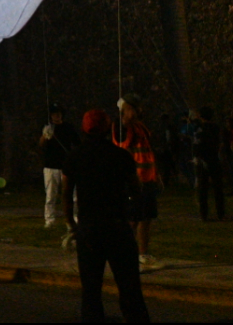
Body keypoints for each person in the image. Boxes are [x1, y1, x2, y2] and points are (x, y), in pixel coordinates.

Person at [63, 109, 150, 324]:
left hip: (89, 228)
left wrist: (72, 224)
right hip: (117, 226)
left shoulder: (74, 157)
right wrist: (132, 218)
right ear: (107, 128)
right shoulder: (121, 156)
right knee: (129, 287)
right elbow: (136, 191)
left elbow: (65, 195)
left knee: (91, 290)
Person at [114, 94, 161, 272]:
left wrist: (156, 173)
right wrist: (124, 119)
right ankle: (122, 254)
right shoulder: (122, 127)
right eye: (132, 108)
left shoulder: (140, 127)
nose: (136, 112)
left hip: (147, 177)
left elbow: (148, 150)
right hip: (135, 179)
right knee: (133, 219)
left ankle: (143, 254)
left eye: (136, 108)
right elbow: (123, 142)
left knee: (146, 217)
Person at [39, 103, 81, 228]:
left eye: (58, 113)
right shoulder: (47, 127)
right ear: (50, 116)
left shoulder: (68, 127)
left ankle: (75, 218)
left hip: (66, 166)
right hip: (50, 166)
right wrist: (45, 135)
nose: (56, 116)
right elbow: (41, 145)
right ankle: (50, 219)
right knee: (50, 195)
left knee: (73, 195)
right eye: (53, 114)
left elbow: (77, 143)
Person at [191, 107, 225, 221]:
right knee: (218, 188)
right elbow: (220, 143)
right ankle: (221, 213)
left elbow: (197, 144)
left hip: (202, 160)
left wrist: (196, 156)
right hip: (214, 159)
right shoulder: (216, 128)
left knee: (202, 189)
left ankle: (204, 214)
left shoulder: (199, 128)